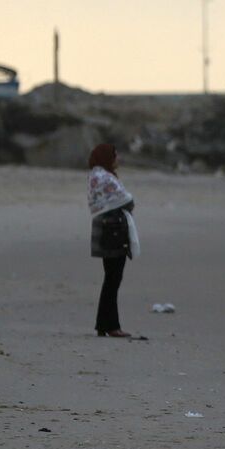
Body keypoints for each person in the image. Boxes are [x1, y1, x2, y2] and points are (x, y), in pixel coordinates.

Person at [88, 143, 137, 338]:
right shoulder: (105, 178)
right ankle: (112, 325)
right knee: (113, 279)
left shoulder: (94, 176)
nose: (118, 160)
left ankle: (103, 324)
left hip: (102, 228)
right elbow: (126, 201)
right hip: (113, 231)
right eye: (115, 156)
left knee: (110, 278)